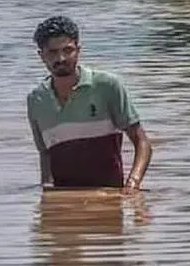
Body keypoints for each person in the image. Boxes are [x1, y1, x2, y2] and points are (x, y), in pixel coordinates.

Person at [26, 16, 153, 194]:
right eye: (52, 52)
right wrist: (47, 193)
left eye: (67, 50)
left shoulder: (107, 86)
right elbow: (45, 154)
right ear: (41, 55)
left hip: (108, 198)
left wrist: (133, 185)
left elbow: (142, 143)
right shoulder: (36, 99)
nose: (61, 58)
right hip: (62, 203)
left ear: (78, 50)